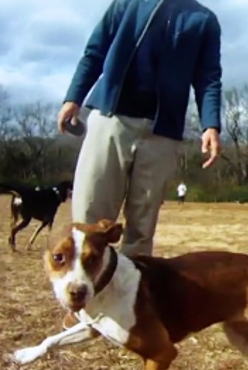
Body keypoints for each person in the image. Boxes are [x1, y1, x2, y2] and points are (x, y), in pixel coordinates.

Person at [56, 0, 222, 257]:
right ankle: (87, 291)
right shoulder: (127, 4)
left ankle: (134, 295)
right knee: (90, 218)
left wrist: (210, 124)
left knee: (142, 227)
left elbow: (208, 78)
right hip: (111, 119)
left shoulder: (204, 20)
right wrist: (73, 98)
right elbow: (95, 52)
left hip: (163, 132)